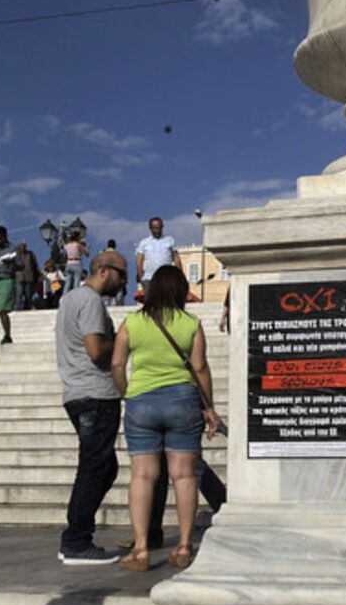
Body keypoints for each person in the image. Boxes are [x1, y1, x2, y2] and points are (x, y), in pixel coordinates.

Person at [112, 265, 222, 572]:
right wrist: (209, 407)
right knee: (184, 476)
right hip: (183, 402)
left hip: (141, 401)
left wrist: (127, 393)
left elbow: (117, 364)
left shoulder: (133, 321)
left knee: (143, 476)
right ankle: (184, 547)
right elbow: (199, 368)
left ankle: (142, 549)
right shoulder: (191, 323)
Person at [55, 249, 130, 565]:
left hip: (77, 392)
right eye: (121, 275)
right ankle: (76, 540)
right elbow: (97, 350)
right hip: (95, 395)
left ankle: (77, 535)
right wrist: (125, 340)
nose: (124, 282)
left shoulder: (70, 299)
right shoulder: (89, 301)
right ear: (104, 270)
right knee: (94, 467)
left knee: (103, 466)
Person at [135, 217, 180, 294]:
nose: (157, 230)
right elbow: (139, 260)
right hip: (148, 278)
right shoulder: (144, 243)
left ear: (162, 227)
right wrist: (141, 276)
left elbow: (176, 258)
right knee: (150, 302)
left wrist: (179, 275)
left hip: (166, 278)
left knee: (166, 302)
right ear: (150, 228)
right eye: (155, 228)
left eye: (159, 227)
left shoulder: (170, 240)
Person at [16, 241, 38, 310]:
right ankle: (18, 307)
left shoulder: (30, 254)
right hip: (19, 277)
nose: (22, 248)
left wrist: (37, 274)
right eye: (21, 246)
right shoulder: (16, 256)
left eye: (24, 246)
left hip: (29, 277)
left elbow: (35, 265)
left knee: (28, 294)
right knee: (19, 293)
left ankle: (28, 306)